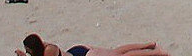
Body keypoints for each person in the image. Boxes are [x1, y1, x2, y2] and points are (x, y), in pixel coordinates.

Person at [18, 37, 169, 56]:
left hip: (84, 55)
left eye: (28, 50)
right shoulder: (45, 46)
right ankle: (147, 45)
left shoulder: (48, 51)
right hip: (78, 50)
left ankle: (156, 53)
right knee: (115, 51)